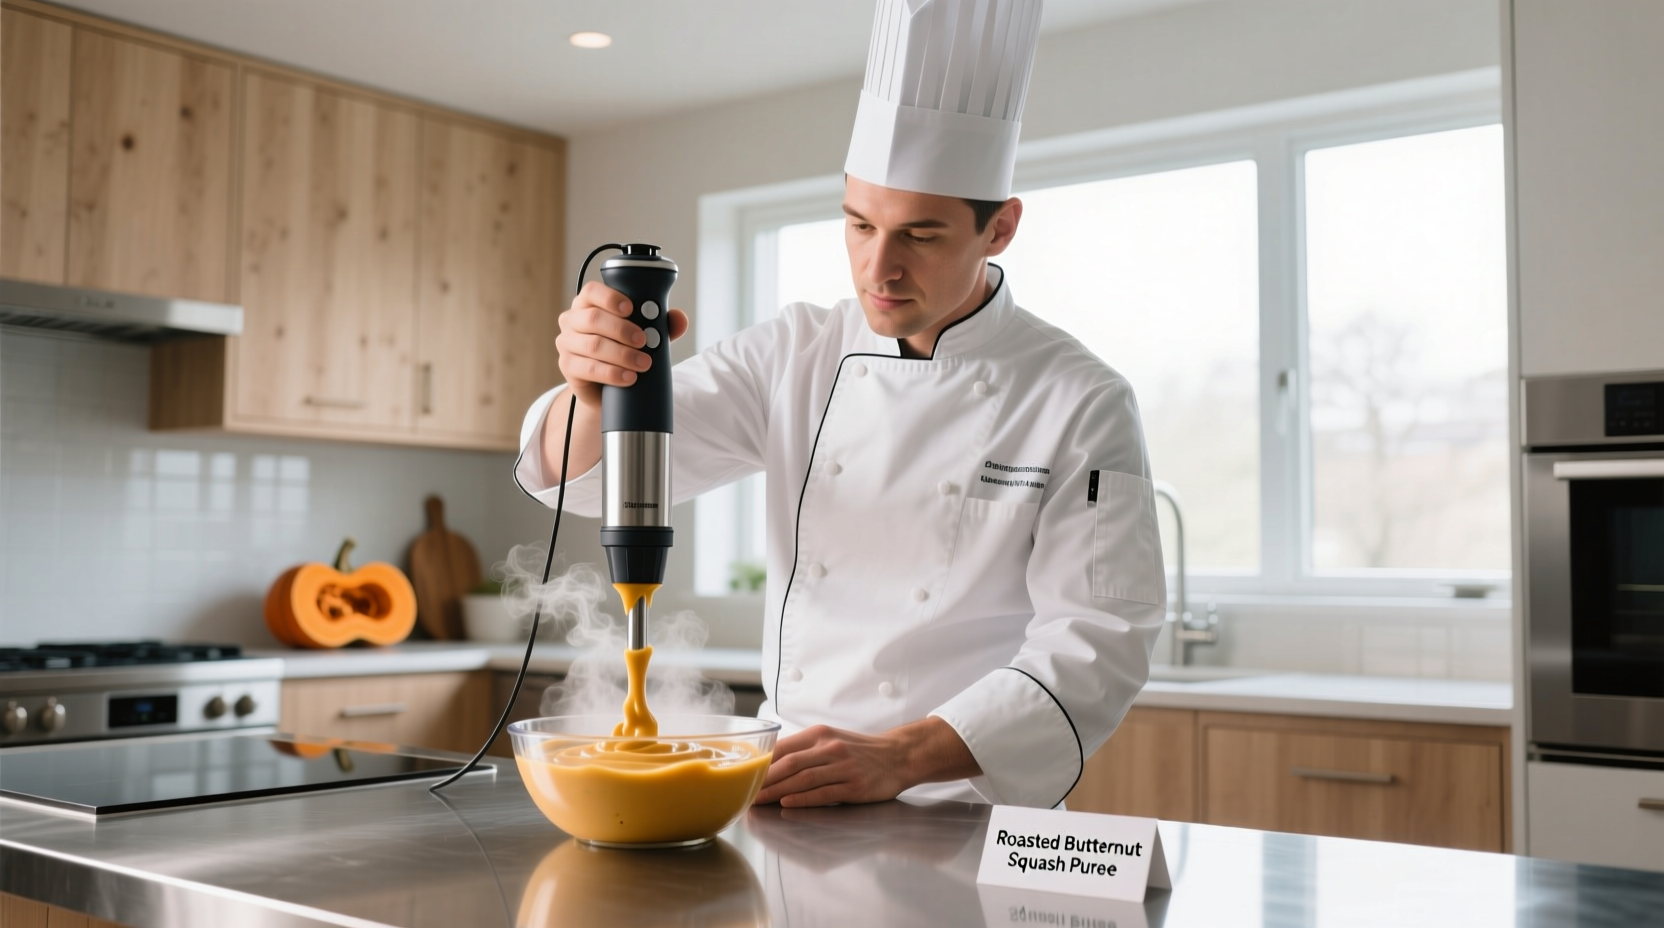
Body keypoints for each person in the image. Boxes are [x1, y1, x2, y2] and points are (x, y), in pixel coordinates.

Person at [514, 0, 1165, 810]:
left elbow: (1100, 639)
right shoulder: (794, 352)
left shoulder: (1081, 398)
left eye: (920, 236)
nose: (878, 269)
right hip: (788, 791)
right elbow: (591, 478)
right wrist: (591, 386)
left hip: (964, 807)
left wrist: (900, 756)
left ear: (999, 228)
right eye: (858, 224)